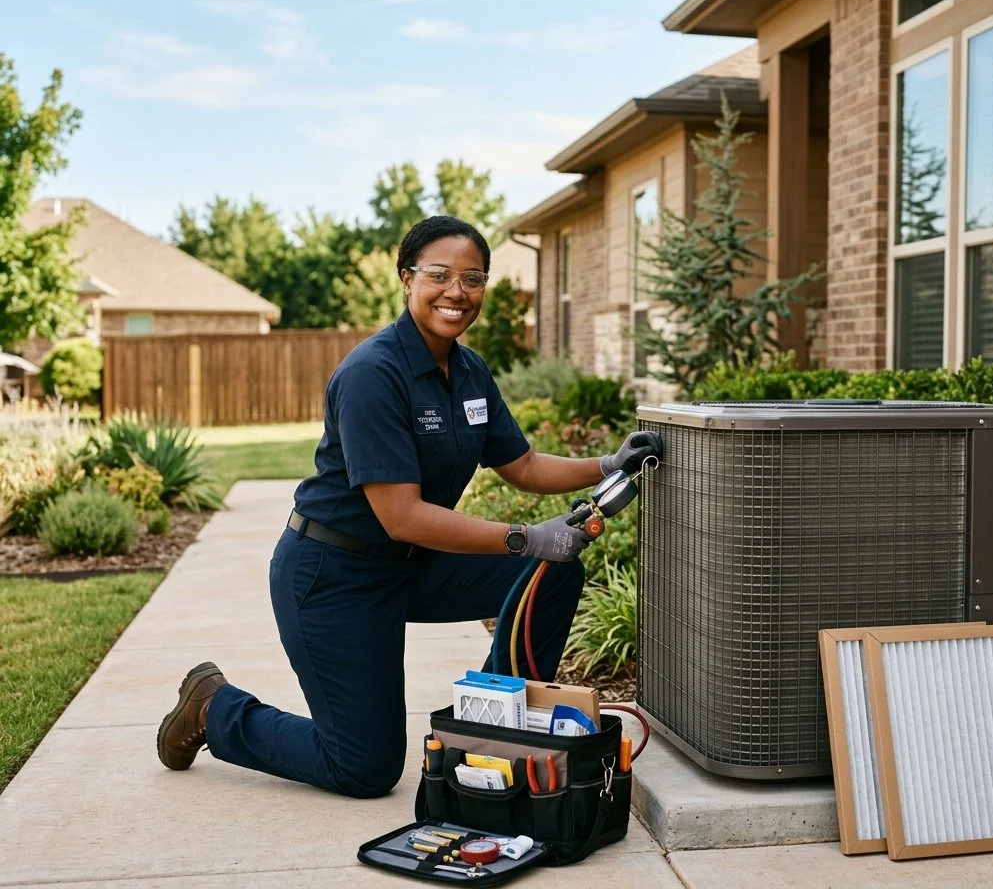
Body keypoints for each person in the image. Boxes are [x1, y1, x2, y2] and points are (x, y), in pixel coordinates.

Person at [156, 215, 662, 798]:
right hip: (333, 574)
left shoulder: (468, 371)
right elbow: (402, 514)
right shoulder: (374, 374)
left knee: (552, 573)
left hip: (409, 566)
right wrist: (526, 537)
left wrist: (606, 464)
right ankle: (213, 709)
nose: (457, 292)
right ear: (406, 278)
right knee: (363, 768)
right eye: (440, 275)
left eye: (473, 279)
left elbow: (521, 465)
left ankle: (493, 730)